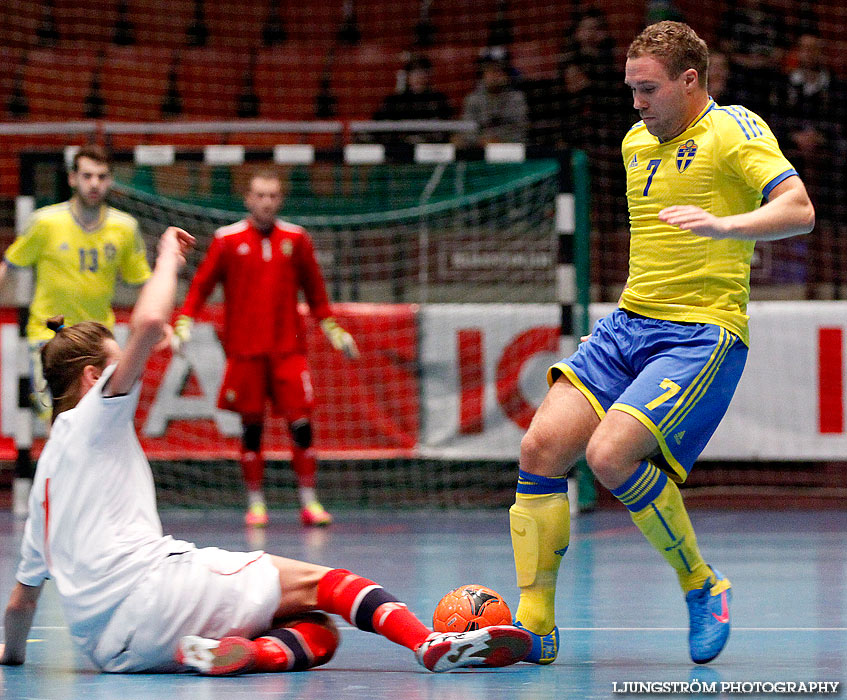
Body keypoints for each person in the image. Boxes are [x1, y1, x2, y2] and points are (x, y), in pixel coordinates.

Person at [0, 225, 533, 675]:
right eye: (116, 366)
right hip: (158, 593)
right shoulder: (97, 413)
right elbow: (148, 324)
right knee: (331, 584)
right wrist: (165, 256)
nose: (127, 376)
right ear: (94, 377)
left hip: (113, 652)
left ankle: (249, 654)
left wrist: (10, 660)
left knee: (317, 633)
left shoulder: (46, 479)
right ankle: (429, 644)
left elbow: (22, 605)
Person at [509, 21, 814, 666]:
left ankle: (703, 585)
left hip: (701, 332)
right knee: (539, 447)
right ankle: (536, 627)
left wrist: (728, 225)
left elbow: (799, 209)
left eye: (648, 89)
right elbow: (654, 248)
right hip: (629, 324)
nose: (637, 102)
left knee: (610, 456)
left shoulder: (735, 129)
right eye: (631, 89)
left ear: (689, 80)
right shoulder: (633, 143)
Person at [172, 170, 358, 528]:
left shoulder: (297, 238)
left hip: (288, 351)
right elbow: (200, 286)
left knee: (302, 426)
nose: (266, 202)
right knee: (251, 429)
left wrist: (333, 330)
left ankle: (309, 502)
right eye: (260, 195)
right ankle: (256, 504)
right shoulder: (226, 240)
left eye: (273, 196)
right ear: (248, 199)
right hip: (245, 353)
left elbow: (317, 293)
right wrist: (183, 321)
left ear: (280, 200)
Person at [0, 144, 151, 423]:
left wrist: (161, 322)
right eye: (87, 175)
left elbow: (144, 282)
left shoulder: (125, 227)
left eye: (102, 176)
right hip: (51, 337)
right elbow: (8, 265)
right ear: (72, 179)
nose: (94, 183)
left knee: (98, 425)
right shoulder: (45, 222)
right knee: (59, 423)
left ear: (110, 181)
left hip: (99, 342)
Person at [457, 47, 528, 147]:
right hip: (479, 152)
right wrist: (482, 141)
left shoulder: (516, 98)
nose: (496, 75)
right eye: (491, 70)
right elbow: (466, 131)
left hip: (509, 153)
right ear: (482, 73)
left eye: (500, 70)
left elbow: (521, 131)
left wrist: (498, 141)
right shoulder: (472, 99)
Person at [372, 55, 453, 144]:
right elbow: (379, 129)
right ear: (407, 76)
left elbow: (446, 130)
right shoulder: (393, 101)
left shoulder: (439, 100)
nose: (419, 77)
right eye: (414, 73)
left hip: (431, 149)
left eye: (423, 72)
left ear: (429, 75)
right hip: (399, 150)